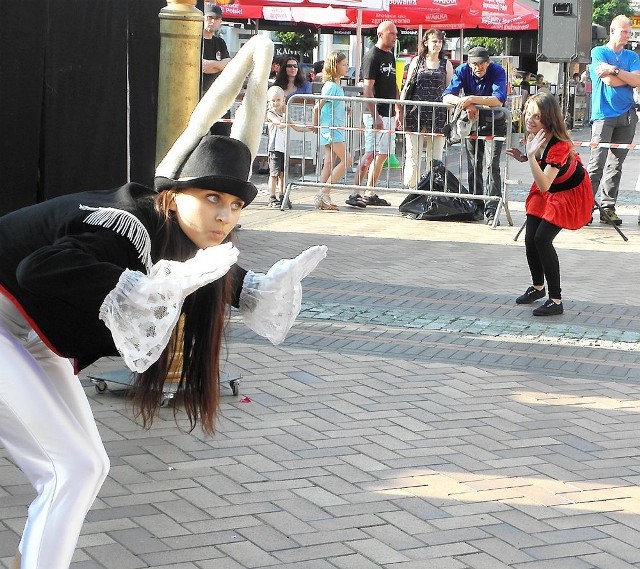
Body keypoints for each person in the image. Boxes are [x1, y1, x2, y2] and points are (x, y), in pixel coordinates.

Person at [0, 35, 327, 569]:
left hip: (23, 335)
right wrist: (131, 290)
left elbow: (209, 275)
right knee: (74, 468)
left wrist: (256, 290)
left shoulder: (178, 239)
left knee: (85, 465)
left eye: (236, 204)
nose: (225, 216)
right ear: (175, 194)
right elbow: (39, 269)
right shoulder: (129, 224)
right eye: (212, 197)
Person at [506, 92, 593, 316]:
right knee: (530, 238)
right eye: (528, 113)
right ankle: (538, 287)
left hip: (567, 193)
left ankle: (556, 300)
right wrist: (525, 157)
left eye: (536, 116)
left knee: (542, 239)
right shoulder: (536, 135)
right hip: (549, 188)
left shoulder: (560, 145)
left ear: (549, 118)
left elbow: (544, 183)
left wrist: (531, 157)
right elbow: (542, 174)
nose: (529, 119)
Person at [443, 46, 508, 225]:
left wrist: (471, 99)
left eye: (481, 64)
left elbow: (498, 99)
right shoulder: (463, 70)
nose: (478, 67)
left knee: (491, 166)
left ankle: (492, 209)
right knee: (474, 165)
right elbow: (446, 96)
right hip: (473, 124)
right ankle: (476, 206)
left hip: (495, 123)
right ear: (469, 64)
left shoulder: (497, 71)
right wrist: (465, 103)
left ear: (488, 62)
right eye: (474, 64)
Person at [587, 15, 640, 226]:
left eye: (629, 32)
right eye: (624, 31)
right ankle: (586, 206)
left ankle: (608, 207)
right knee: (596, 164)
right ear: (612, 31)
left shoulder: (632, 55)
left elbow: (637, 81)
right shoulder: (598, 52)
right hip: (603, 114)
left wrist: (616, 70)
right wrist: (623, 77)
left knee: (616, 165)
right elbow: (607, 80)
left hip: (627, 115)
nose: (628, 35)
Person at [346, 21, 398, 209]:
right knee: (370, 153)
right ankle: (354, 192)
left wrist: (398, 108)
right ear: (380, 34)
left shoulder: (390, 56)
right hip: (376, 113)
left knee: (383, 154)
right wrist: (374, 114)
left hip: (389, 111)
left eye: (395, 33)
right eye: (391, 33)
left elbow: (394, 83)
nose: (395, 37)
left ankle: (370, 191)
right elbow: (367, 87)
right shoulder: (372, 56)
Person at [397, 28, 454, 189]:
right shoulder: (417, 61)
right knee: (413, 153)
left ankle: (431, 188)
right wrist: (399, 109)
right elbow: (407, 85)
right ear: (426, 42)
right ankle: (412, 187)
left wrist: (450, 115)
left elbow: (450, 89)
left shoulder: (446, 64)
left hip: (438, 113)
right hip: (415, 112)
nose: (437, 45)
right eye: (434, 41)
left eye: (440, 42)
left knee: (435, 155)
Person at [311, 51, 354, 211]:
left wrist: (345, 110)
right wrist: (315, 124)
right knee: (347, 161)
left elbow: (330, 106)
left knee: (329, 163)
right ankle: (324, 192)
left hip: (333, 128)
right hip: (332, 129)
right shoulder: (331, 87)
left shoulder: (334, 86)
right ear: (335, 66)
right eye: (344, 64)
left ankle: (323, 196)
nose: (347, 67)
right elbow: (318, 107)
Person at [265, 85, 310, 208]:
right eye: (273, 100)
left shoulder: (285, 114)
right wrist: (285, 114)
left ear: (283, 100)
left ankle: (282, 195)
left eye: (278, 100)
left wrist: (310, 128)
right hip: (274, 148)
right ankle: (271, 197)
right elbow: (280, 124)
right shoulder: (270, 113)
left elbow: (295, 127)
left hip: (284, 148)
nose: (276, 103)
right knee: (274, 174)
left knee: (283, 174)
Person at [202, 3, 232, 136]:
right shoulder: (195, 40)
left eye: (216, 18)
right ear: (203, 18)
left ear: (220, 21)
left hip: (218, 95)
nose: (212, 21)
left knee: (222, 134)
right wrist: (218, 64)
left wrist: (212, 65)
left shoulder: (220, 42)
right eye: (209, 17)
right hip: (198, 96)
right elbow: (202, 67)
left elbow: (228, 64)